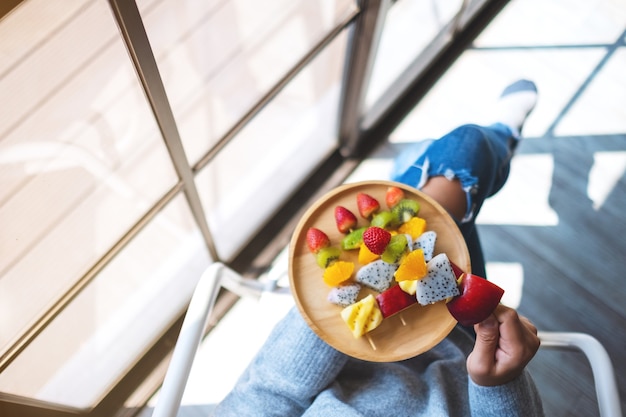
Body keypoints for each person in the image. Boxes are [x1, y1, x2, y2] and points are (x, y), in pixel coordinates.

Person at [213, 80, 544, 416]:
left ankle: (440, 159)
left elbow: (267, 396)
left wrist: (350, 300)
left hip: (362, 334)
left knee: (462, 149)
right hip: (467, 347)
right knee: (460, 149)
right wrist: (499, 387)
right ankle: (492, 137)